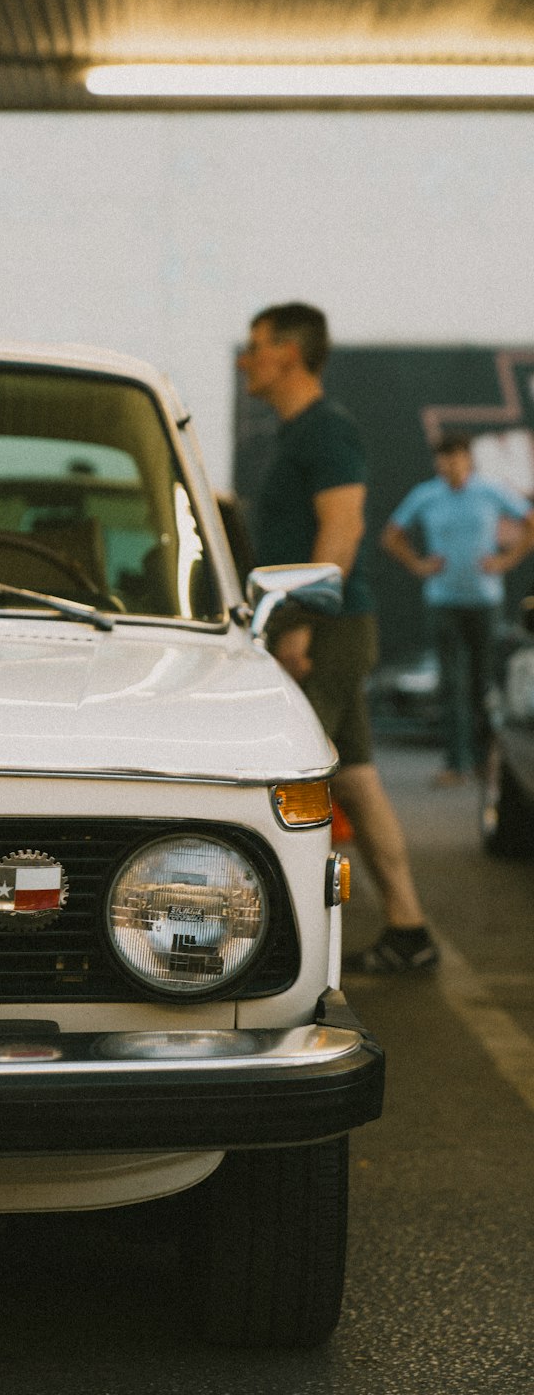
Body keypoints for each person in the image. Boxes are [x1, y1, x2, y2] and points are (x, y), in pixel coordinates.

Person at [238, 301, 439, 974]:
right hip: (325, 627)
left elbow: (343, 530)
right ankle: (409, 929)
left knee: (288, 784)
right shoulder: (300, 433)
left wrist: (300, 625)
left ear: (288, 354)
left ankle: (279, 948)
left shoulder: (328, 431)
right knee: (354, 779)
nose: (246, 359)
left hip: (325, 631)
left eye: (256, 346)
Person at [381, 432, 534, 786]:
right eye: (443, 458)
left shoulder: (489, 491)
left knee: (483, 682)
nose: (449, 464)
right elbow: (391, 535)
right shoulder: (426, 494)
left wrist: (506, 560)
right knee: (452, 684)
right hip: (443, 601)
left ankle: (485, 760)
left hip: (484, 601)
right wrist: (418, 565)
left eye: (455, 457)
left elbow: (529, 522)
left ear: (468, 459)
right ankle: (456, 763)